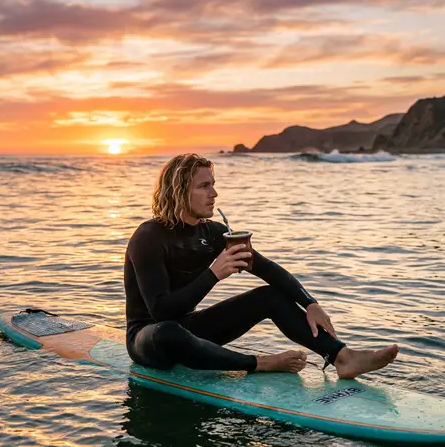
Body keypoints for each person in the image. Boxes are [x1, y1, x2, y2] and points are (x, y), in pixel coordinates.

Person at [124, 154, 398, 378]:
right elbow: (161, 311)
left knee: (271, 296)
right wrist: (214, 274)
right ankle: (260, 363)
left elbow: (269, 270)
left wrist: (310, 303)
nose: (214, 193)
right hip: (150, 338)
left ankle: (343, 357)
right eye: (204, 186)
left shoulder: (214, 233)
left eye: (213, 184)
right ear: (180, 191)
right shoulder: (148, 237)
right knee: (169, 332)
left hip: (190, 329)